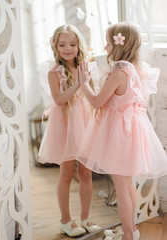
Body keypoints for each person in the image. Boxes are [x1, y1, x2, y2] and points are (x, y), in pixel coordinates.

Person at [77, 21, 167, 240]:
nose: (106, 47)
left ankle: (127, 234)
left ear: (119, 44)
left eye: (108, 43)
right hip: (133, 130)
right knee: (127, 184)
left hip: (122, 133)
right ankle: (131, 230)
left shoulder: (119, 73)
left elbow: (98, 102)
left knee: (122, 184)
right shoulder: (137, 70)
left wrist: (84, 82)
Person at [38, 24, 101, 237]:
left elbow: (92, 96)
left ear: (78, 45)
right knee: (66, 174)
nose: (68, 49)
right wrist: (78, 84)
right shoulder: (53, 72)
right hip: (65, 124)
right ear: (55, 45)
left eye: (72, 44)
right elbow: (58, 100)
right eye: (63, 44)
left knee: (85, 172)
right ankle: (65, 220)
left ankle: (85, 217)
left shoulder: (86, 68)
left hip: (84, 123)